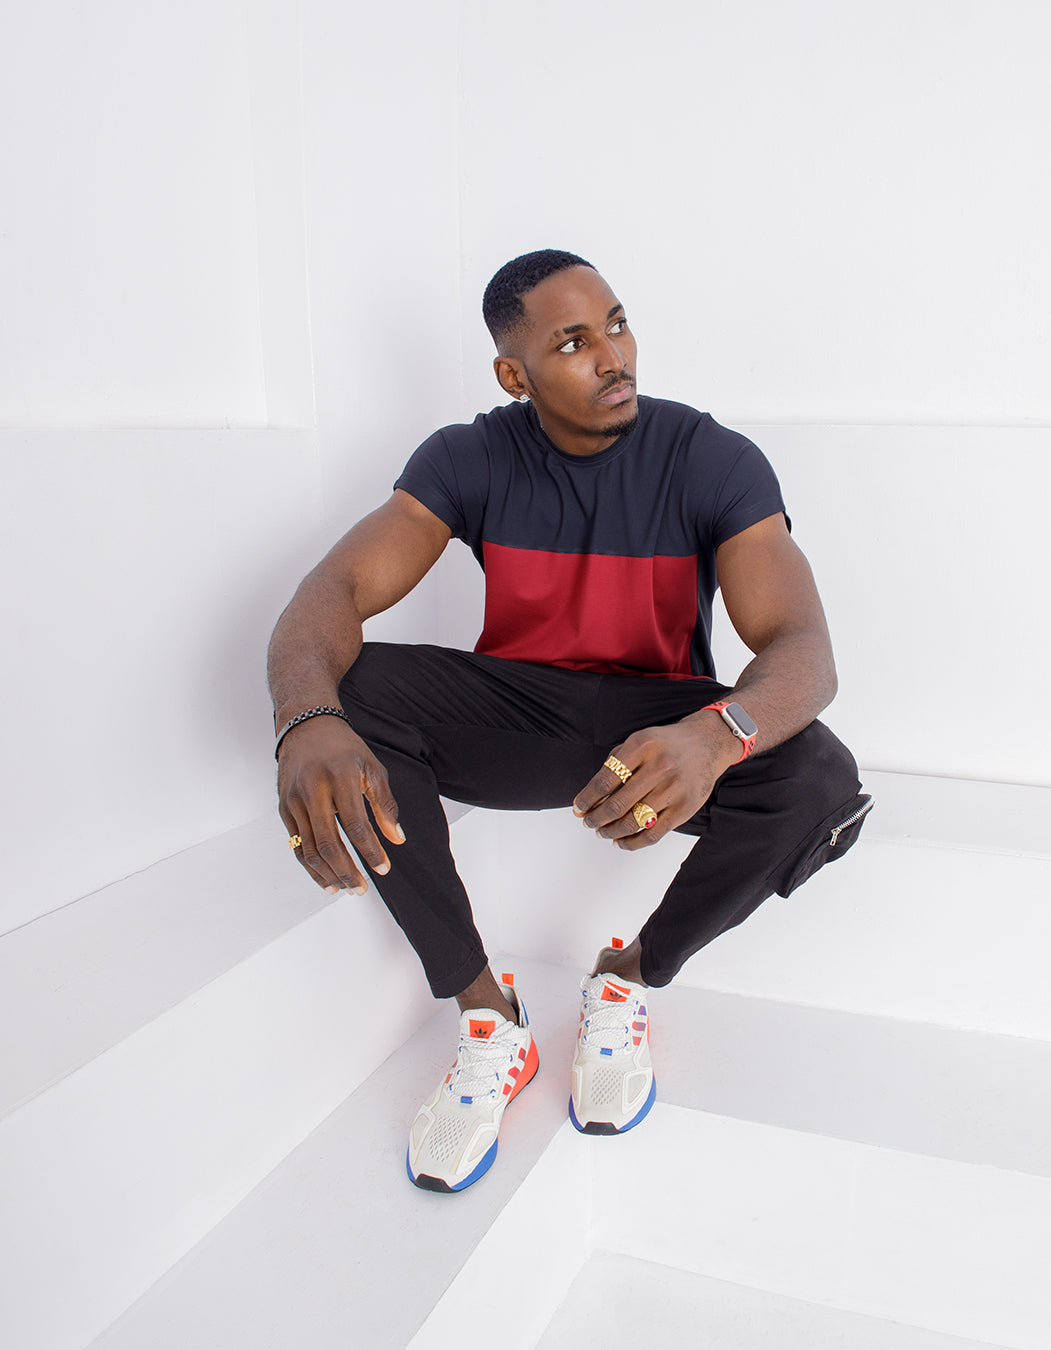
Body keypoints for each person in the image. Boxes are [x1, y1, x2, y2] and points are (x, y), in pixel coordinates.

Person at [268, 249, 871, 1193]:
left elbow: (805, 649)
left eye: (618, 324)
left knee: (821, 779)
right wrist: (304, 720)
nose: (613, 356)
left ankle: (627, 977)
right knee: (354, 690)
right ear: (515, 377)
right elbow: (332, 590)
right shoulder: (468, 457)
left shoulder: (709, 456)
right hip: (525, 714)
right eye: (574, 343)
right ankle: (488, 1018)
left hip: (662, 728)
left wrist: (715, 736)